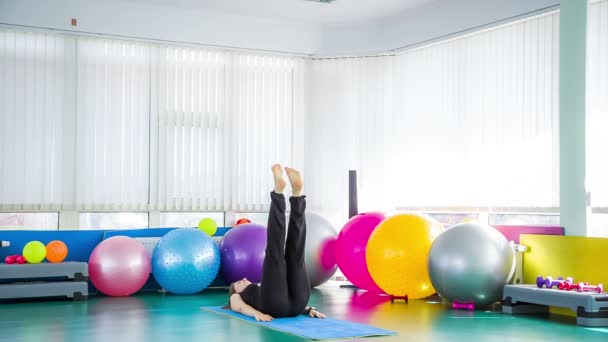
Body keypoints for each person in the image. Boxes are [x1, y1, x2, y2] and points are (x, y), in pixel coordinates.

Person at [224, 164, 326, 321]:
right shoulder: (236, 297)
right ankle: (279, 193)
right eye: (238, 282)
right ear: (235, 291)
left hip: (298, 304)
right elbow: (241, 308)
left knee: (296, 254)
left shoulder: (261, 289)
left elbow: (285, 296)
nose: (244, 279)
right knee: (275, 253)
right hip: (275, 306)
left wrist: (308, 309)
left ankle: (297, 195)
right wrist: (256, 314)